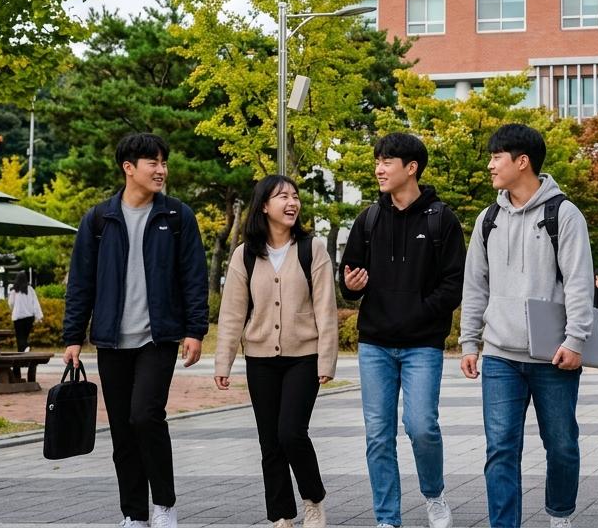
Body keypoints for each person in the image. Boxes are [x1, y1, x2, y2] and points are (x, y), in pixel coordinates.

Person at [63, 133, 208, 528]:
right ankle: (134, 513)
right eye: (153, 163)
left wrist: (195, 330)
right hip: (111, 340)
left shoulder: (177, 217)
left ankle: (164, 504)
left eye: (164, 163)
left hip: (157, 338)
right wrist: (73, 337)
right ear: (129, 168)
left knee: (145, 416)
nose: (161, 170)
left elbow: (194, 278)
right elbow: (81, 282)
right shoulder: (98, 220)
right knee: (122, 430)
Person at [458, 124, 592, 528]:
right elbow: (475, 284)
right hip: (500, 356)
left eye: (496, 157)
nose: (490, 165)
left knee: (563, 446)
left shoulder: (563, 214)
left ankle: (560, 515)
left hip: (553, 354)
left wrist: (576, 339)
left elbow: (579, 281)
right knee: (500, 449)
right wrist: (469, 341)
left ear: (522, 162)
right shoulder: (488, 218)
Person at [338, 133, 466, 528]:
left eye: (387, 161)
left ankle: (434, 494)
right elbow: (349, 276)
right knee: (378, 434)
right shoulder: (369, 218)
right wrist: (351, 286)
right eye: (377, 160)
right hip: (375, 343)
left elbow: (454, 284)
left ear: (411, 168)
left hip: (421, 346)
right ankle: (387, 518)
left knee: (421, 426)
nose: (378, 168)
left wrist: (419, 313)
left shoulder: (441, 218)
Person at [214, 176, 337, 528]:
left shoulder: (311, 249)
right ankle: (280, 514)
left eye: (295, 196)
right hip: (260, 359)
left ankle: (314, 498)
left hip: (304, 356)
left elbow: (325, 309)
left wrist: (326, 359)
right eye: (282, 196)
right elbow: (233, 313)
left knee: (290, 432)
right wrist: (224, 361)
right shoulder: (245, 255)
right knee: (269, 441)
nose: (291, 202)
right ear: (264, 206)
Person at [7, 271, 43, 352]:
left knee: (20, 337)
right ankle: (24, 350)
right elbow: (35, 303)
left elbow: (11, 303)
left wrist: (13, 309)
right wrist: (38, 316)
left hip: (18, 317)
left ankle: (24, 349)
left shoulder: (14, 291)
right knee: (25, 336)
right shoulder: (30, 289)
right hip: (29, 317)